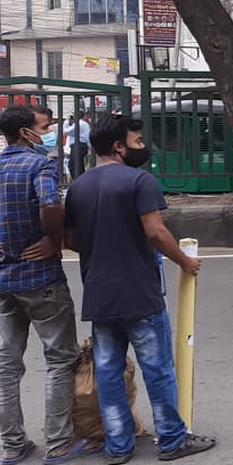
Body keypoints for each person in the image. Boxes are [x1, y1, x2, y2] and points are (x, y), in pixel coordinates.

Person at [63, 114, 215, 463]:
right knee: (158, 368)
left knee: (109, 371)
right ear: (119, 146)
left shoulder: (79, 187)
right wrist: (184, 261)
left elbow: (71, 239)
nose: (143, 147)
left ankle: (119, 446)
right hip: (139, 293)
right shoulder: (139, 181)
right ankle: (173, 440)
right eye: (138, 142)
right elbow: (156, 232)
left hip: (99, 294)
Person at [0, 105, 100, 465]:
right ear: (27, 133)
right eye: (44, 126)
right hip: (40, 277)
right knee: (60, 358)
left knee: (7, 365)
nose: (48, 132)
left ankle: (12, 444)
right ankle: (58, 443)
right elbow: (49, 202)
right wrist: (53, 241)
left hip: (4, 280)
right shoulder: (39, 164)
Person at [63, 115, 90, 180]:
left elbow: (66, 131)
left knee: (73, 166)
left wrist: (66, 122)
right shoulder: (83, 124)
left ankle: (79, 181)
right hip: (81, 145)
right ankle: (81, 181)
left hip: (78, 146)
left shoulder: (79, 124)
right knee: (78, 166)